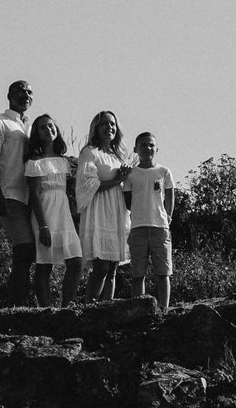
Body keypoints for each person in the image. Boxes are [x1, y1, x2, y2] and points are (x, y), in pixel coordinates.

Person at [0, 80, 33, 305]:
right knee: (25, 249)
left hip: (30, 198)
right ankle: (15, 304)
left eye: (29, 92)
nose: (26, 95)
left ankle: (20, 303)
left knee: (30, 253)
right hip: (9, 195)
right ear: (9, 95)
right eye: (21, 91)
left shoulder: (29, 127)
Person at [23, 114, 83, 305]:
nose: (48, 130)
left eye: (51, 126)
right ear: (37, 133)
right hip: (45, 212)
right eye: (43, 127)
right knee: (44, 264)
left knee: (75, 260)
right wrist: (43, 226)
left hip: (63, 213)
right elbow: (34, 194)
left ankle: (67, 306)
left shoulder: (63, 161)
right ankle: (45, 309)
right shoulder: (34, 161)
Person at [73, 111, 129, 300]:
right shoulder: (89, 152)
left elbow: (124, 184)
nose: (109, 127)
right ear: (96, 128)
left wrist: (125, 177)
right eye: (104, 123)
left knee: (112, 267)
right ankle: (90, 308)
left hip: (116, 209)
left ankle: (107, 309)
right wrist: (117, 180)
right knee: (101, 266)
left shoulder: (118, 156)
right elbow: (87, 184)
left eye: (112, 124)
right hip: (99, 210)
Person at [121, 130, 176, 312]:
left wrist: (168, 215)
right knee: (138, 273)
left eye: (151, 145)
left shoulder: (164, 172)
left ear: (157, 149)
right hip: (137, 227)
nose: (147, 148)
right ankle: (140, 310)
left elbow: (170, 195)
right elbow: (128, 199)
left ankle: (164, 308)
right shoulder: (131, 174)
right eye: (143, 145)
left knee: (163, 272)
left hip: (160, 227)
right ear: (135, 149)